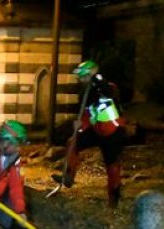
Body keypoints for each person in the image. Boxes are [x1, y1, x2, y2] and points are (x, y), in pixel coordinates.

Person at [51, 59, 127, 208]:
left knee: (112, 167)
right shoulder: (85, 93)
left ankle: (113, 200)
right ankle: (68, 176)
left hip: (113, 133)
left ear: (90, 75)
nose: (80, 80)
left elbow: (108, 93)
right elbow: (87, 114)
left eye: (83, 77)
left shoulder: (106, 87)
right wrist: (80, 128)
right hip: (97, 130)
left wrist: (98, 84)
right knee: (72, 142)